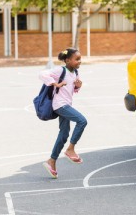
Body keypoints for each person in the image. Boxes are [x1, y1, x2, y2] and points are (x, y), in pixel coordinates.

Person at [40, 48, 87, 179]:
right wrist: (55, 83)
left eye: (80, 59)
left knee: (64, 134)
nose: (79, 61)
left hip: (66, 104)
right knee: (82, 121)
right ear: (67, 60)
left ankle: (51, 161)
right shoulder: (60, 70)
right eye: (77, 59)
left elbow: (71, 89)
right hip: (59, 105)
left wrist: (77, 86)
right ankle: (70, 149)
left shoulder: (75, 72)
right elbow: (42, 74)